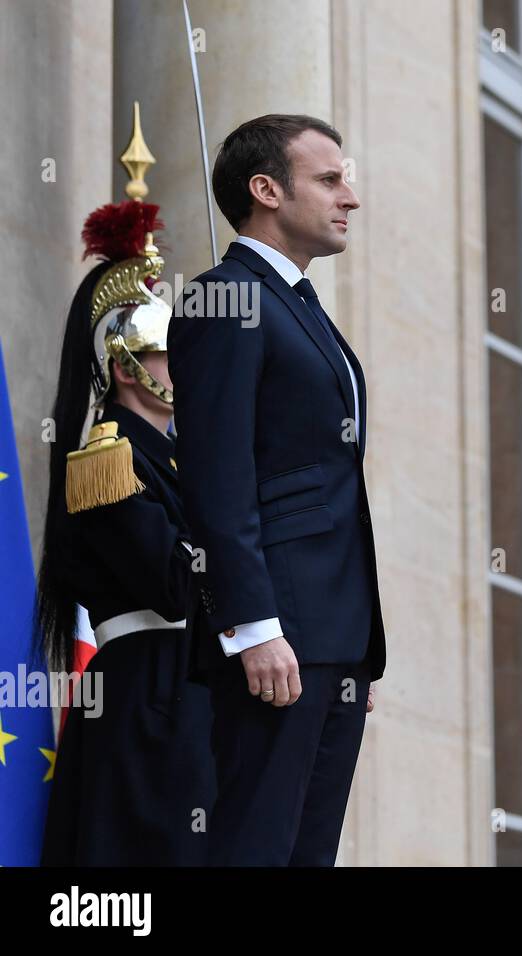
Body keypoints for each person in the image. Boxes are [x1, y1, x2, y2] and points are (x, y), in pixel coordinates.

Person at [168, 114, 384, 866]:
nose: (349, 197)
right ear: (266, 190)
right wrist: (252, 625)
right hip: (279, 626)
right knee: (255, 846)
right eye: (329, 179)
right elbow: (216, 476)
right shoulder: (223, 298)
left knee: (306, 853)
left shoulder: (299, 304)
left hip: (332, 632)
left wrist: (353, 644)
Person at [36, 107, 214, 865]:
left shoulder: (174, 459)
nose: (184, 369)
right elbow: (174, 587)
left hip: (191, 691)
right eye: (171, 355)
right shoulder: (104, 462)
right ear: (126, 365)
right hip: (146, 696)